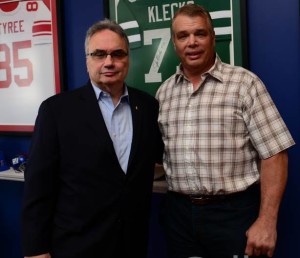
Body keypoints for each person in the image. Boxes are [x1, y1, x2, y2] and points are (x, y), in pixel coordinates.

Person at [156, 4, 295, 258]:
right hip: (179, 217)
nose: (192, 42)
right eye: (183, 36)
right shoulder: (164, 92)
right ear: (174, 43)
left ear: (213, 37)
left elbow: (276, 154)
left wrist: (266, 221)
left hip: (233, 216)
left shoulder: (244, 84)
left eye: (200, 33)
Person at [21, 19, 163, 258]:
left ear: (128, 59)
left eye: (117, 54)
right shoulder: (56, 111)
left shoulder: (147, 106)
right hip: (77, 246)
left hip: (132, 244)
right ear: (87, 60)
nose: (109, 62)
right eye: (99, 54)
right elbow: (38, 187)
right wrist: (36, 250)